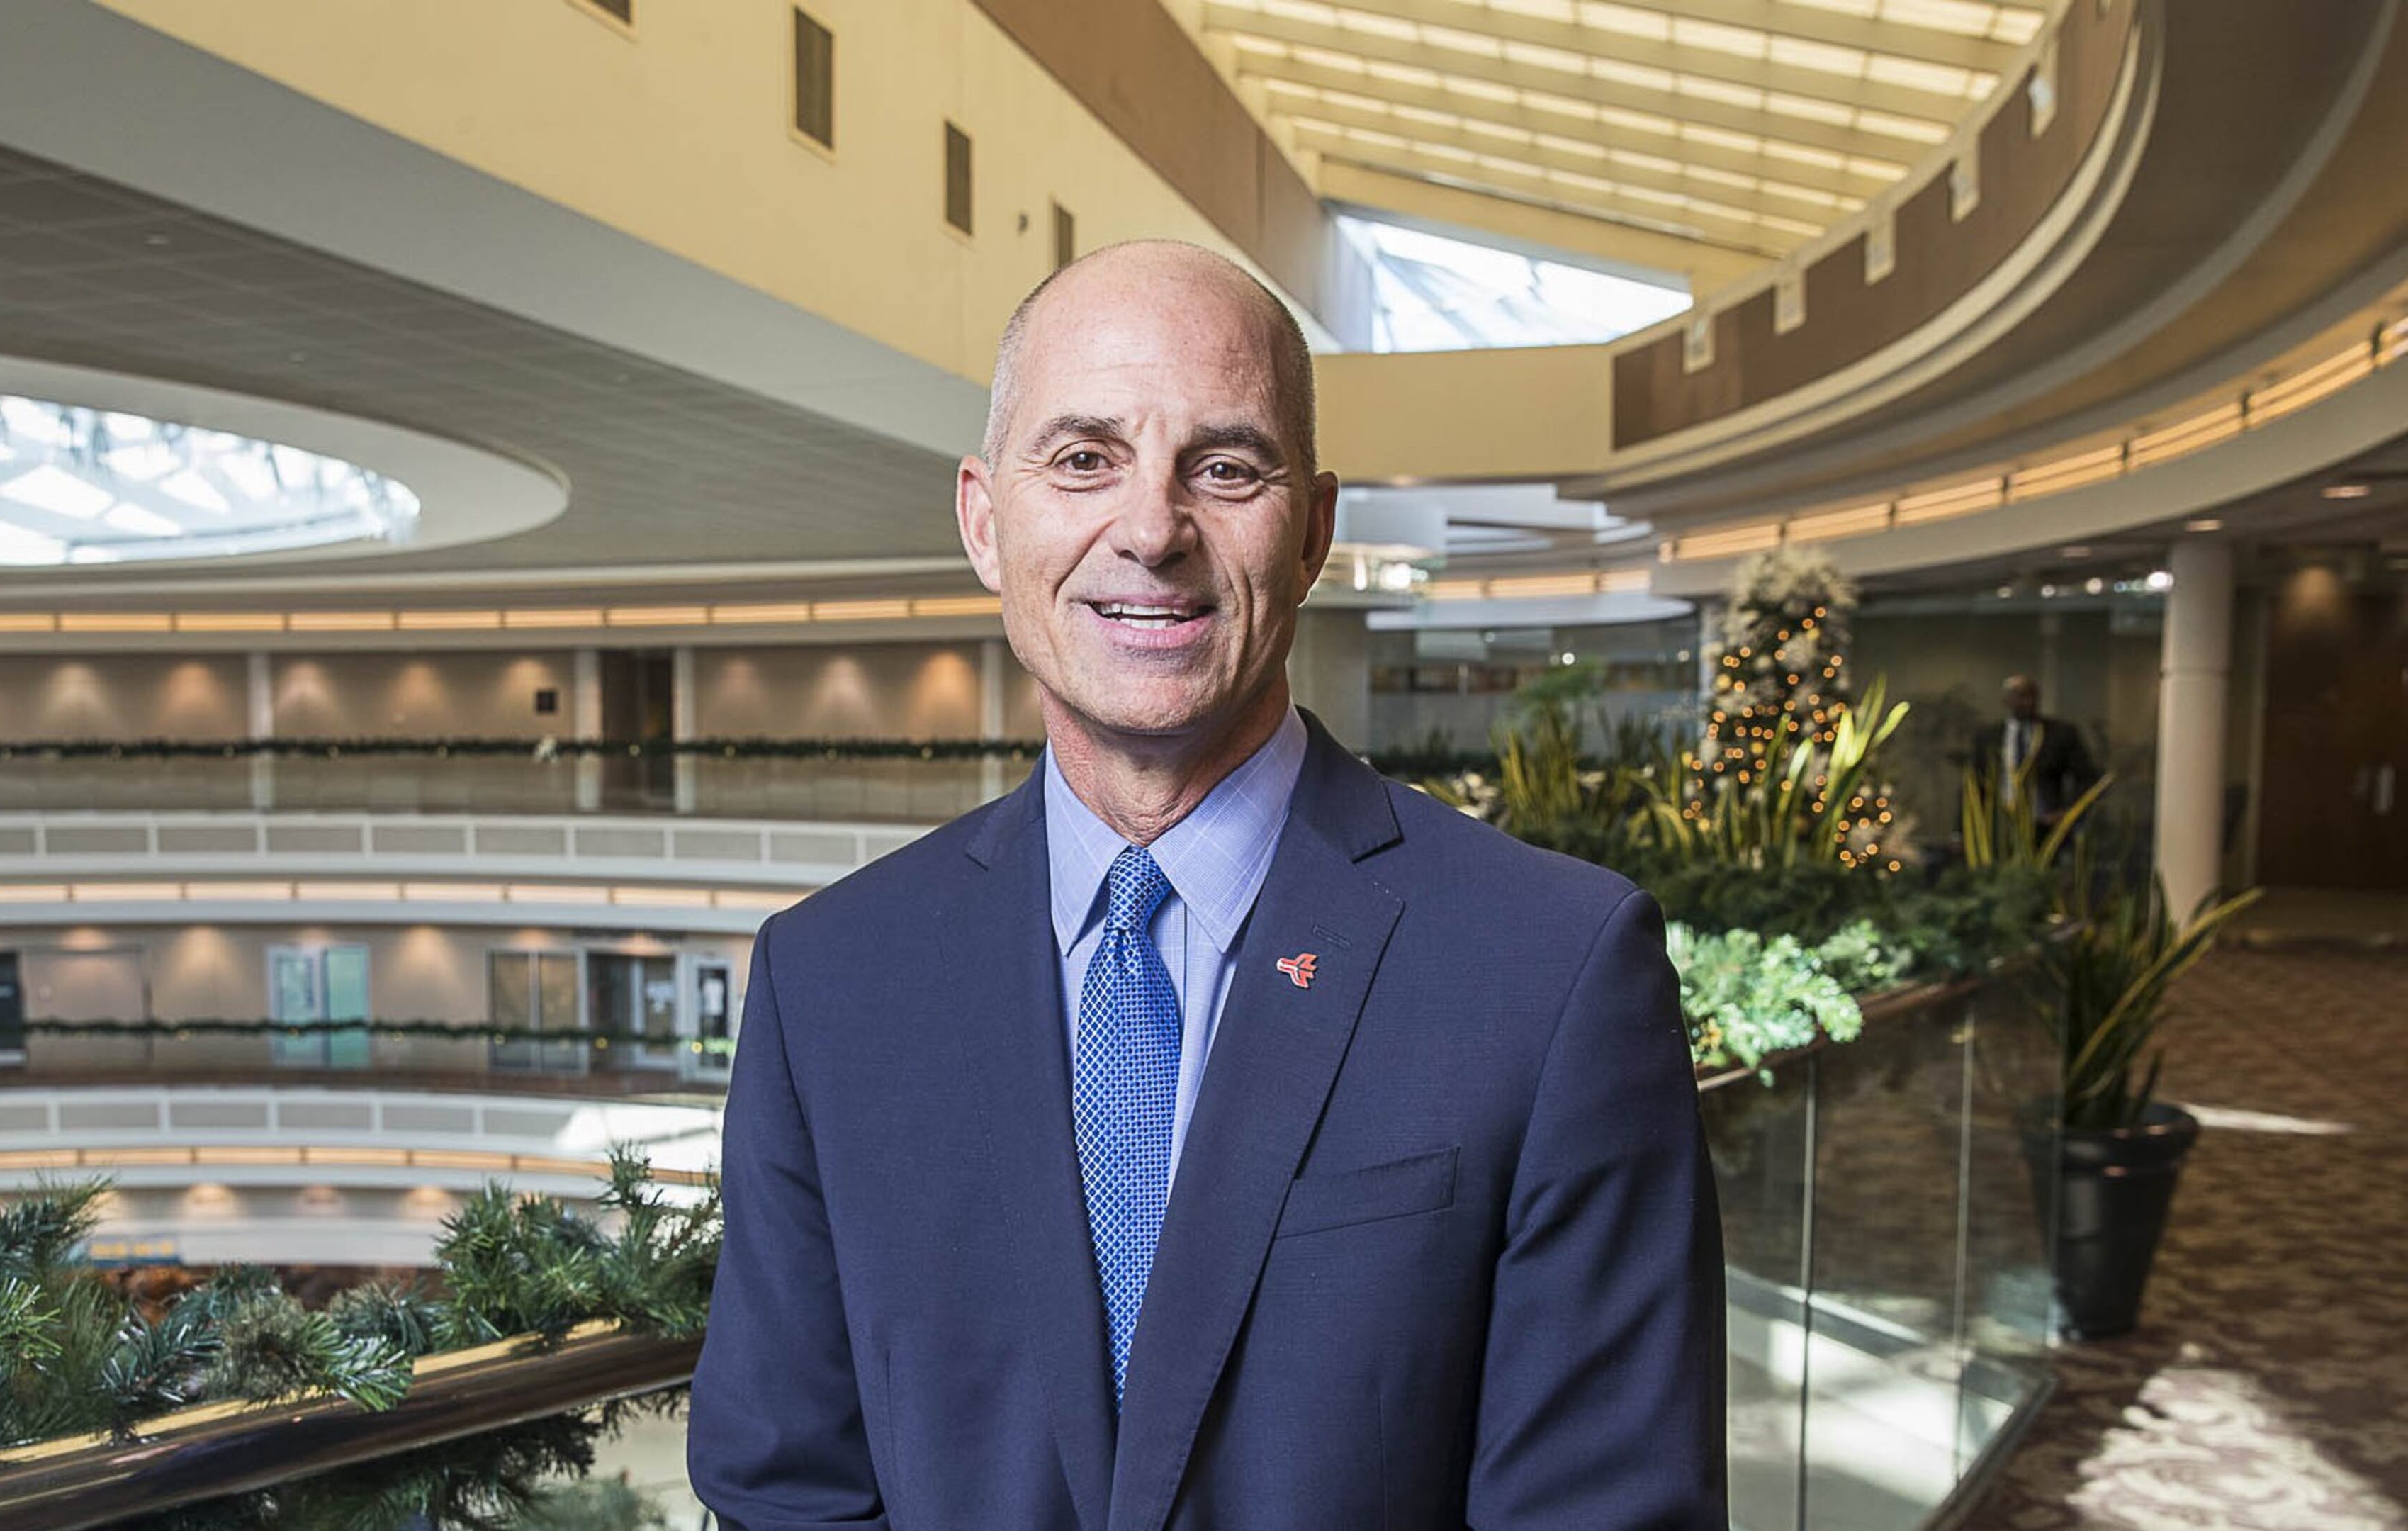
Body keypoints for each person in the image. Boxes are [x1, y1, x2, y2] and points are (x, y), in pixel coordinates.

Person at [689, 241, 1726, 1530]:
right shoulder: (833, 979)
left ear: (1314, 536)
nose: (1149, 530)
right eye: (1083, 459)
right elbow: (785, 1486)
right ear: (982, 519)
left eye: (1226, 468)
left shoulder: (1554, 971)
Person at [1971, 675, 2102, 827]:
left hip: (2046, 825)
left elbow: (2087, 777)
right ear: (2006, 700)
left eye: (2032, 696)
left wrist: (2068, 811)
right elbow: (1974, 784)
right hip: (2000, 826)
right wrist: (1960, 831)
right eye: (2020, 696)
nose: (2028, 702)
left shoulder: (2060, 733)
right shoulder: (1989, 737)